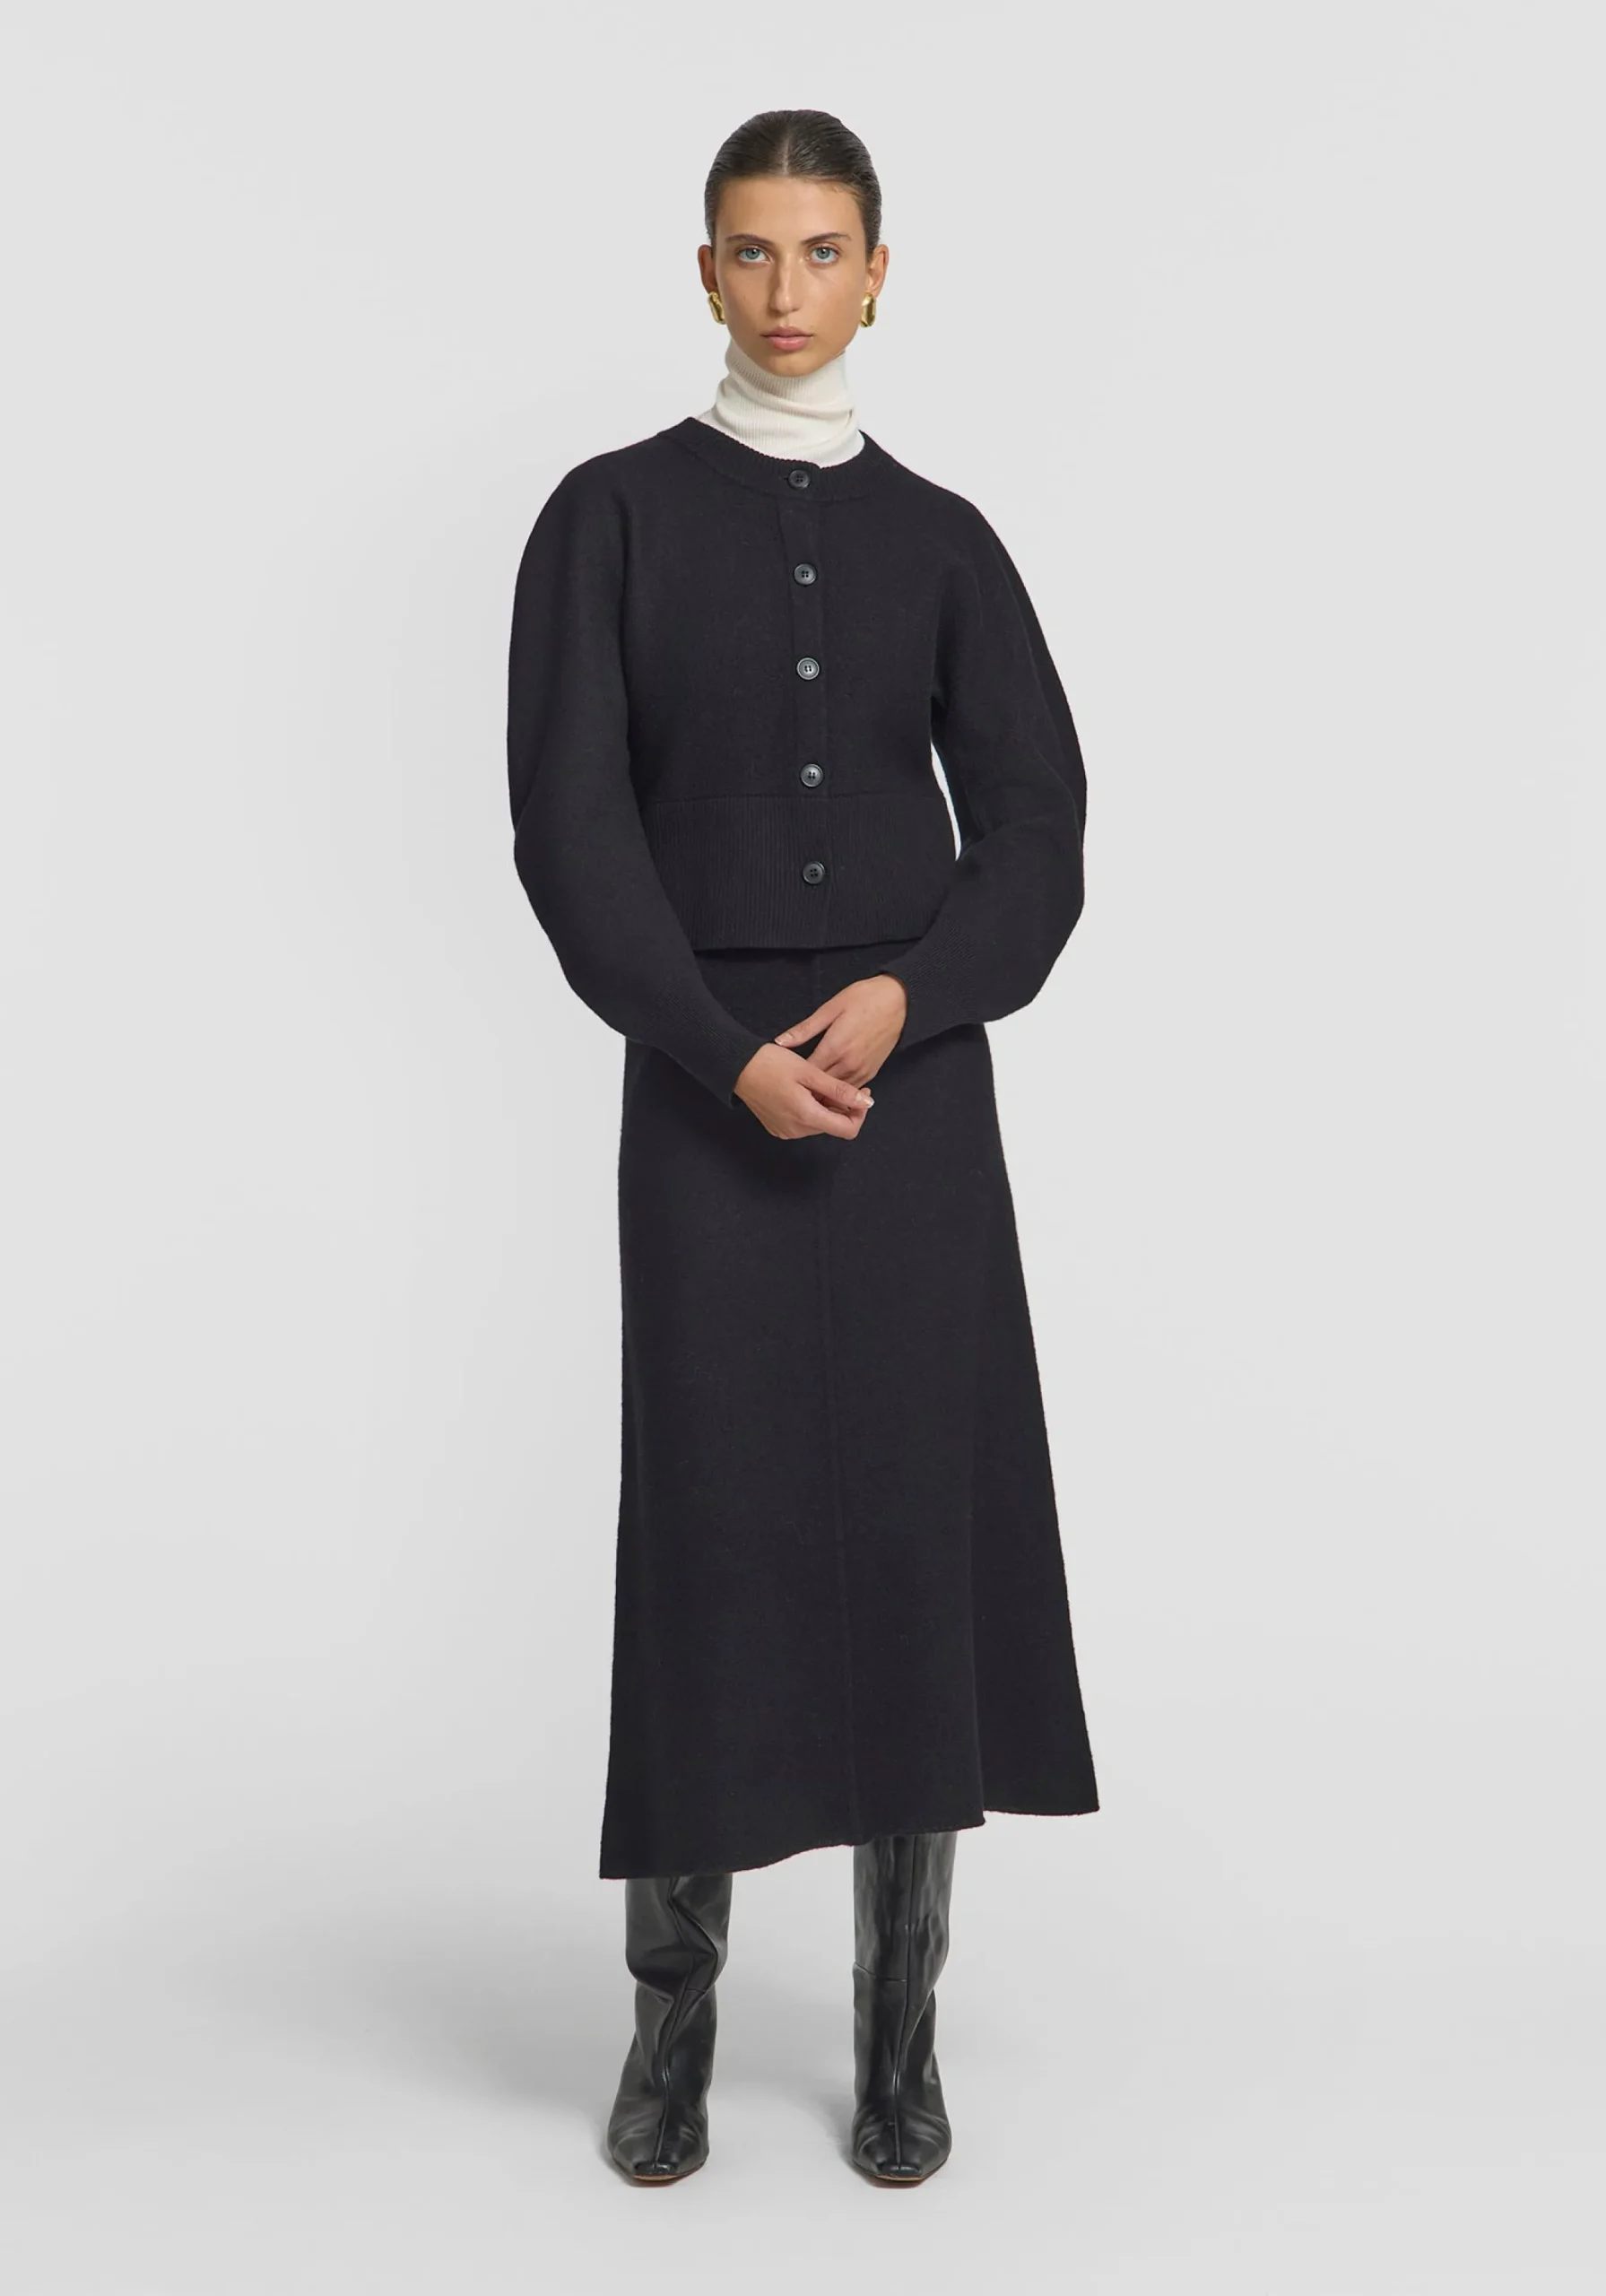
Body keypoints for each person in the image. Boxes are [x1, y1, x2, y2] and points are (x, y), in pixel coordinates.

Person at [505, 107, 1098, 2187]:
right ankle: (670, 2027)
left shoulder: (946, 538)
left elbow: (1038, 829)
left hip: (910, 1105)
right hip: (707, 1100)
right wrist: (716, 1050)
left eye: (821, 252)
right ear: (704, 271)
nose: (784, 290)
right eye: (749, 252)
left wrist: (907, 999)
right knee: (708, 1539)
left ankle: (896, 2035)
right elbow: (569, 830)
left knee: (917, 1536)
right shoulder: (607, 517)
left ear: (876, 272)